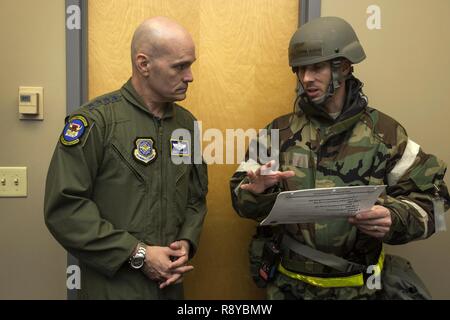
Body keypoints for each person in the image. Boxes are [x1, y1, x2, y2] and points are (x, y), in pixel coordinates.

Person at [230, 16, 449, 300]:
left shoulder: (386, 134)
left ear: (344, 67)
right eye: (301, 69)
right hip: (289, 289)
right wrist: (256, 192)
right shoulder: (278, 133)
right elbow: (239, 199)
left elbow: (436, 203)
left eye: (317, 67)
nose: (306, 78)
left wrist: (394, 217)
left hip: (361, 290)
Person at [44, 17, 208, 300]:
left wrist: (186, 241)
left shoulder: (186, 125)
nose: (190, 76)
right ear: (143, 64)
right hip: (113, 287)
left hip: (170, 288)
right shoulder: (95, 121)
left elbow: (195, 196)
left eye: (190, 65)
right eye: (180, 66)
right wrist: (138, 253)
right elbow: (65, 208)